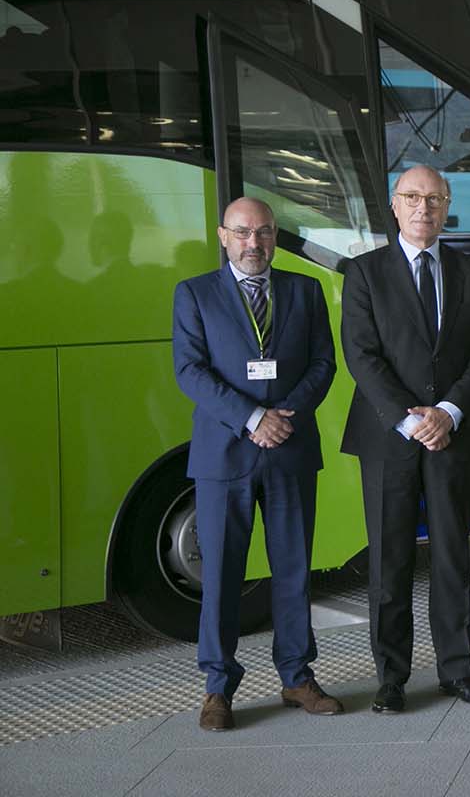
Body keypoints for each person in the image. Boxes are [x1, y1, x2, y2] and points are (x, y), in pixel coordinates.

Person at [172, 197, 341, 731]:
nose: (254, 243)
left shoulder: (305, 290)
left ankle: (297, 677)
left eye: (264, 232)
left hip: (289, 446)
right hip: (225, 454)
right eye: (243, 232)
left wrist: (285, 415)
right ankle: (218, 688)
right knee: (220, 573)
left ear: (274, 237)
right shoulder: (194, 294)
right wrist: (251, 418)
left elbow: (323, 362)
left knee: (293, 569)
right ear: (224, 236)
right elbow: (190, 370)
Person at [341, 165, 470, 714]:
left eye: (434, 198)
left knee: (454, 556)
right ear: (393, 203)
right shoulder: (364, 273)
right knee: (390, 561)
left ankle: (457, 671)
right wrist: (412, 419)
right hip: (391, 437)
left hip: (452, 434)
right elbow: (361, 355)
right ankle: (391, 679)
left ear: (446, 205)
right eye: (412, 196)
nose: (423, 208)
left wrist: (449, 412)